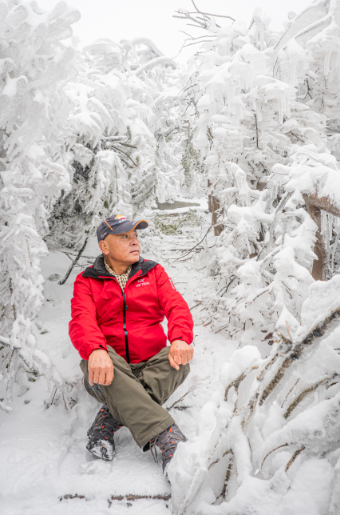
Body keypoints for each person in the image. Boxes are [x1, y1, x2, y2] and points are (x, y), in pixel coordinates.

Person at [69, 214, 194, 474]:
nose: (134, 241)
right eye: (124, 237)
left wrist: (180, 338)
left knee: (178, 362)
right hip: (108, 370)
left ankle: (108, 418)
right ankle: (164, 435)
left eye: (135, 236)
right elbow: (82, 320)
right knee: (105, 357)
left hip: (149, 363)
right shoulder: (87, 280)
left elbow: (177, 306)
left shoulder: (153, 272)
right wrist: (95, 350)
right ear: (105, 246)